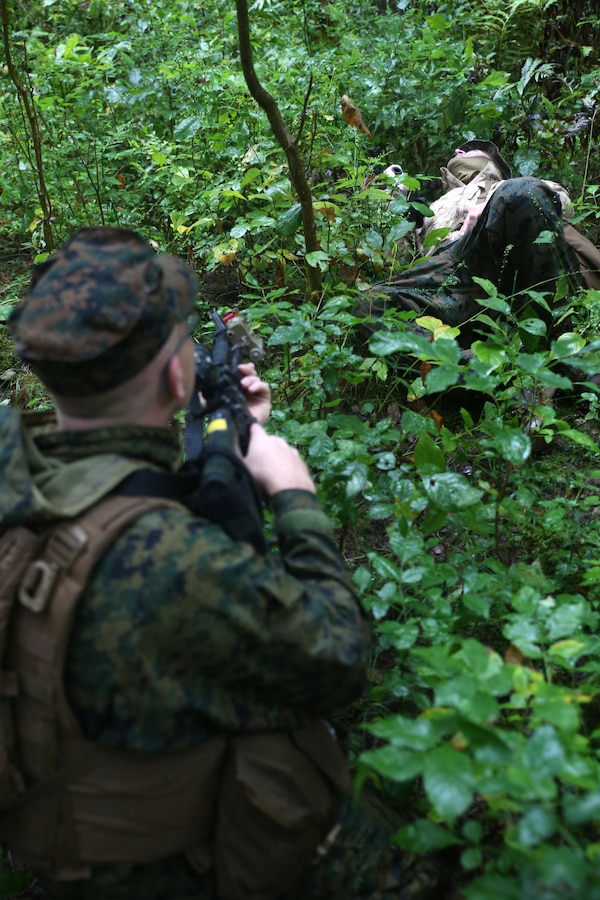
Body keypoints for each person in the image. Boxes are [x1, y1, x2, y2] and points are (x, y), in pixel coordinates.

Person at [1, 227, 442, 899]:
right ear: (178, 374)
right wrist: (292, 496)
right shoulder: (171, 565)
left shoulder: (21, 482)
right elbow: (339, 657)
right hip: (166, 862)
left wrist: (221, 442)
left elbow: (113, 503)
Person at [360, 139, 600, 341]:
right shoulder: (435, 206)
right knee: (367, 305)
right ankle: (467, 371)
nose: (457, 152)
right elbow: (394, 258)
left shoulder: (512, 186)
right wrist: (393, 197)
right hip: (453, 276)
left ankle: (565, 338)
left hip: (516, 259)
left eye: (469, 149)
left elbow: (558, 206)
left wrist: (493, 204)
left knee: (521, 193)